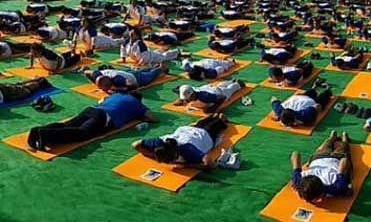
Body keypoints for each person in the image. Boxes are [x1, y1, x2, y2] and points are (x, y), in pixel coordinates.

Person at [27, 92, 157, 151]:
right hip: (103, 116)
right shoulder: (137, 104)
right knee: (82, 133)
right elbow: (153, 118)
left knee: (67, 125)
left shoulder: (117, 95)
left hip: (92, 109)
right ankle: (45, 134)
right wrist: (139, 116)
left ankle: (36, 131)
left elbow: (102, 100)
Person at [132, 113, 229, 169]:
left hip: (205, 134)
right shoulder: (159, 143)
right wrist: (152, 155)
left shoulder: (186, 149)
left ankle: (219, 117)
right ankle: (213, 116)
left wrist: (186, 165)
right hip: (188, 130)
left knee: (219, 121)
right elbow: (135, 145)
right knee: (201, 122)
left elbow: (210, 163)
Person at [291, 131, 353, 202]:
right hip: (318, 157)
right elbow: (295, 154)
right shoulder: (298, 182)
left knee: (344, 149)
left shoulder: (336, 187)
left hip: (336, 157)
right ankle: (332, 138)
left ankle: (343, 138)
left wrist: (345, 176)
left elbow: (344, 160)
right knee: (323, 149)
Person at [84, 65, 167, 94]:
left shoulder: (117, 80)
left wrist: (119, 89)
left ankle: (160, 68)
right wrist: (94, 83)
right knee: (140, 71)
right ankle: (151, 67)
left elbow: (134, 85)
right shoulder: (97, 74)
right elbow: (86, 72)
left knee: (151, 75)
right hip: (124, 72)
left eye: (104, 87)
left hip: (137, 78)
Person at [173, 80, 246, 112]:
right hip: (207, 88)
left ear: (192, 94)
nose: (186, 100)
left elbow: (222, 97)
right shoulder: (189, 89)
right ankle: (227, 82)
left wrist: (213, 109)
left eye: (187, 98)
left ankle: (236, 84)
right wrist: (181, 100)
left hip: (218, 92)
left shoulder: (205, 97)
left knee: (230, 90)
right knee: (219, 86)